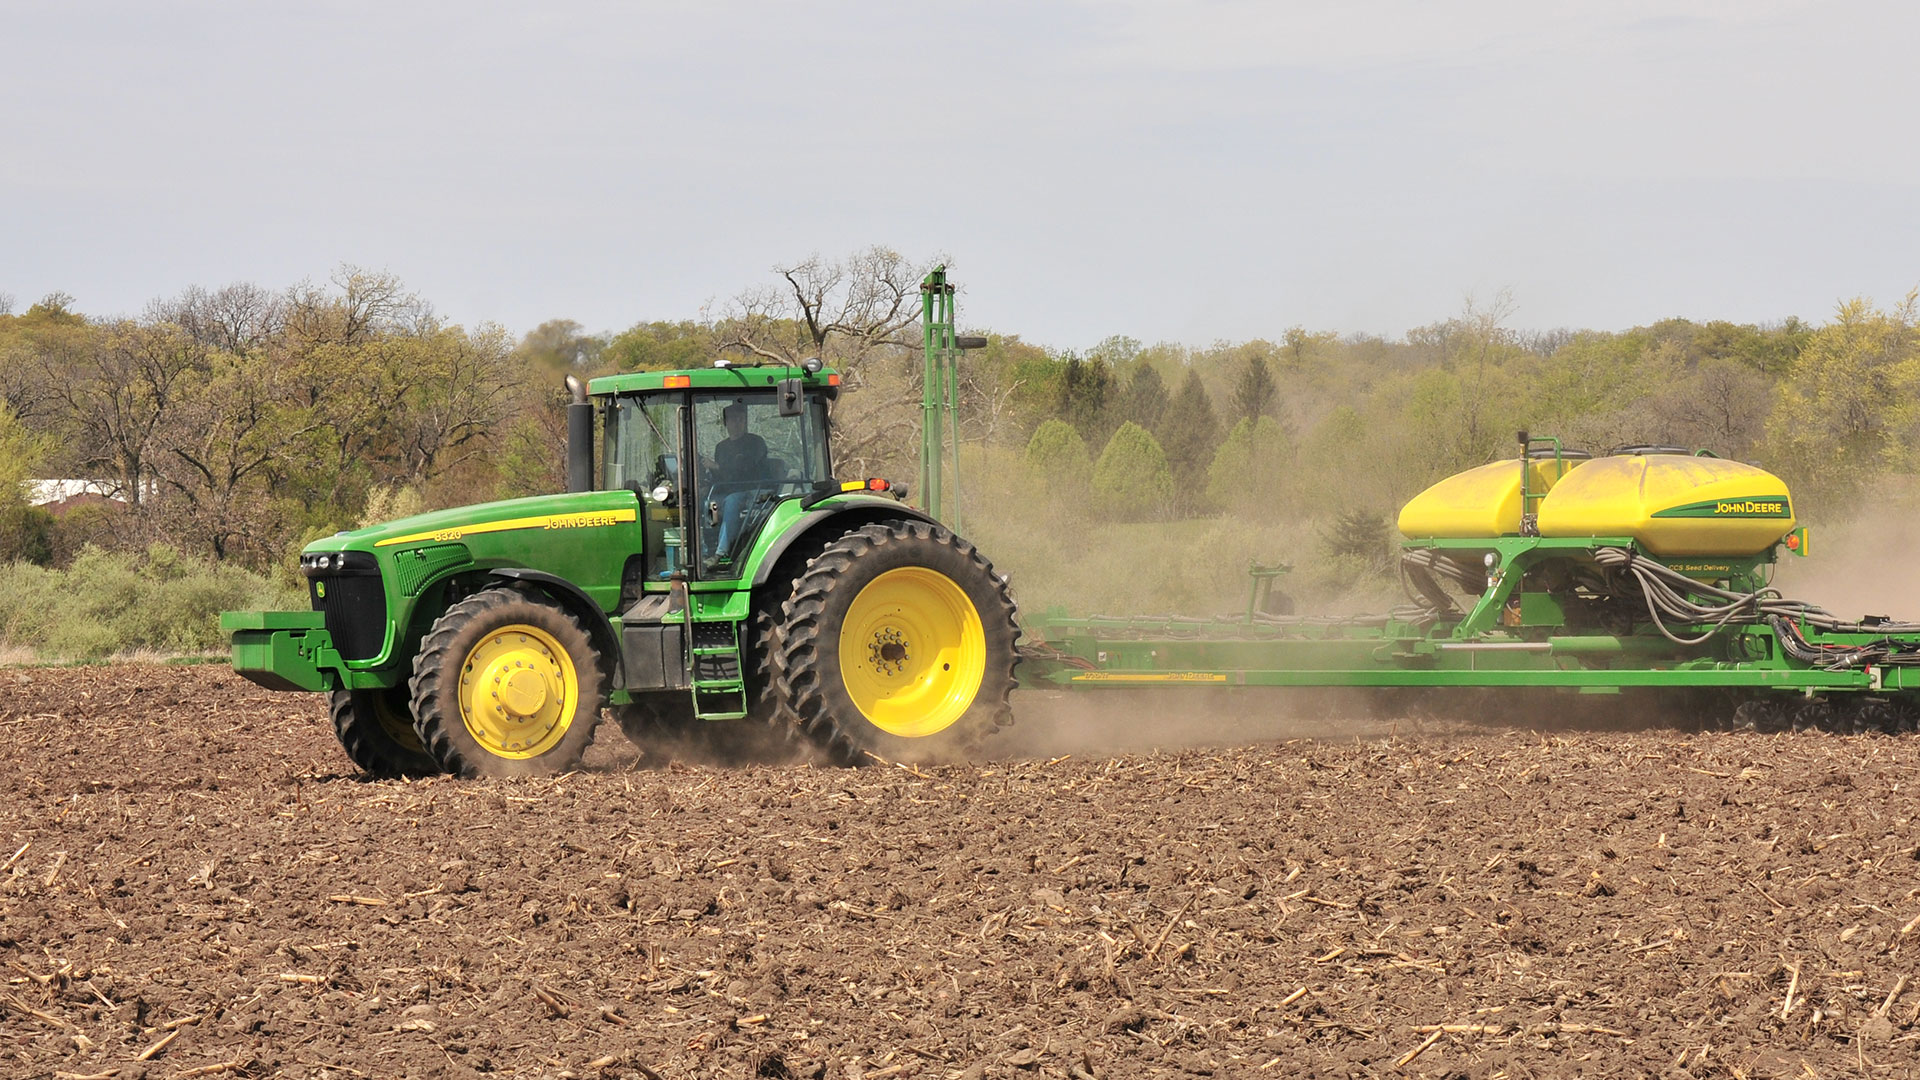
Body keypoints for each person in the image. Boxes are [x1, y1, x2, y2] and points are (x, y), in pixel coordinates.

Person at [707, 403, 769, 568]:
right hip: (727, 491)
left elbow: (745, 469)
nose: (737, 422)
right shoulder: (721, 447)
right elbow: (721, 477)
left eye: (741, 419)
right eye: (733, 419)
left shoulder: (755, 443)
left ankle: (721, 554)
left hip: (753, 490)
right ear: (725, 422)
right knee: (705, 503)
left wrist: (717, 467)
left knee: (732, 502)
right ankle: (704, 551)